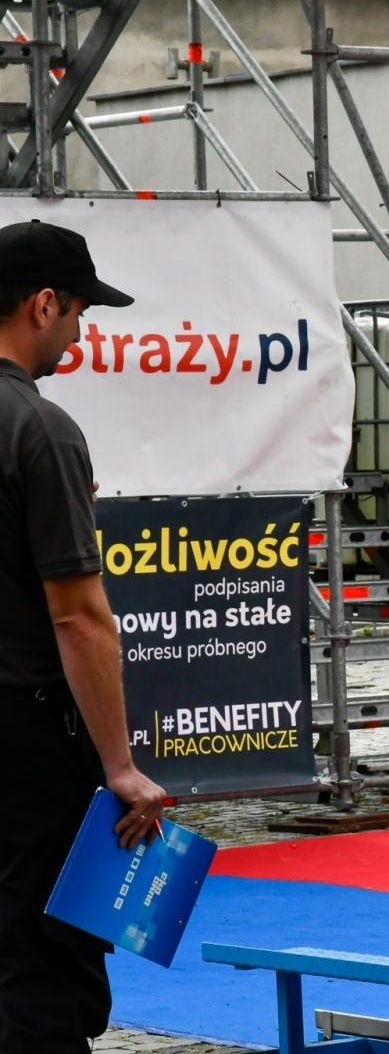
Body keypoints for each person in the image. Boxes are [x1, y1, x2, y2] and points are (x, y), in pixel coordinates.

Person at [0, 220, 168, 1054]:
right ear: (42, 304)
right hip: (26, 735)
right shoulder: (40, 427)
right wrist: (120, 767)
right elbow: (78, 616)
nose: (80, 331)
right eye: (78, 313)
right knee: (43, 969)